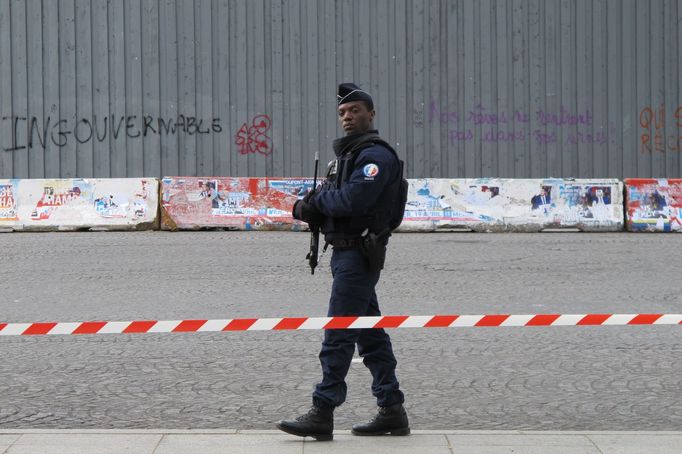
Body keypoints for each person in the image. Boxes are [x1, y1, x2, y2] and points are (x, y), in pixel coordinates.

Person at [277, 83, 409, 441]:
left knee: (338, 332)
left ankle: (322, 411)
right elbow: (325, 196)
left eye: (355, 111)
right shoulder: (348, 157)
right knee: (370, 335)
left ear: (371, 114)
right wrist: (312, 205)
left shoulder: (375, 157)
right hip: (344, 253)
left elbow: (352, 201)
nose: (348, 117)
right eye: (342, 113)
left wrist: (318, 202)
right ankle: (392, 409)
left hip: (359, 255)